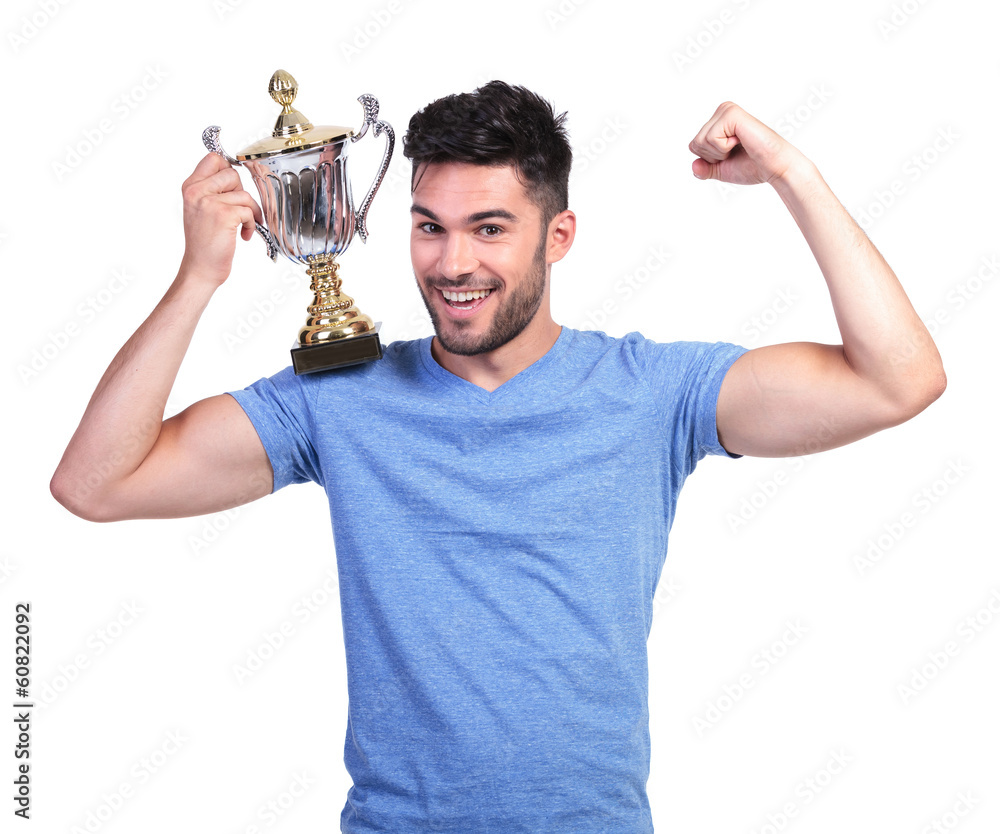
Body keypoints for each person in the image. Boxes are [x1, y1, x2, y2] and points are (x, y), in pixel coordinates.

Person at [51, 82, 945, 832]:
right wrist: (198, 278)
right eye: (429, 227)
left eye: (488, 229)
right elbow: (95, 484)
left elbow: (898, 380)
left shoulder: (650, 393)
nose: (452, 263)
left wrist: (793, 173)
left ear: (557, 237)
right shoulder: (340, 397)